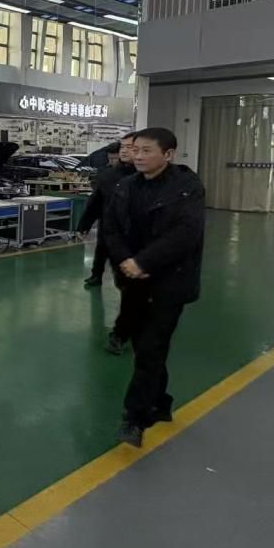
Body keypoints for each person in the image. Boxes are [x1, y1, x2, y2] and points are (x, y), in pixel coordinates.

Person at [103, 127, 206, 449]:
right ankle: (160, 402)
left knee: (151, 347)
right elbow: (111, 228)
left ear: (168, 154)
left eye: (146, 151)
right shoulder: (126, 186)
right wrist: (125, 261)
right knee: (146, 347)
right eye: (135, 150)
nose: (138, 156)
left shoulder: (187, 188)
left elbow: (186, 233)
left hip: (169, 281)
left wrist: (144, 261)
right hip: (133, 280)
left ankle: (134, 418)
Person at [77, 132, 138, 291]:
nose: (124, 151)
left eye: (129, 147)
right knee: (101, 249)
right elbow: (96, 200)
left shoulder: (145, 176)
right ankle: (96, 275)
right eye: (122, 147)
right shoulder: (108, 174)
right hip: (108, 223)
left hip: (133, 228)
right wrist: (85, 223)